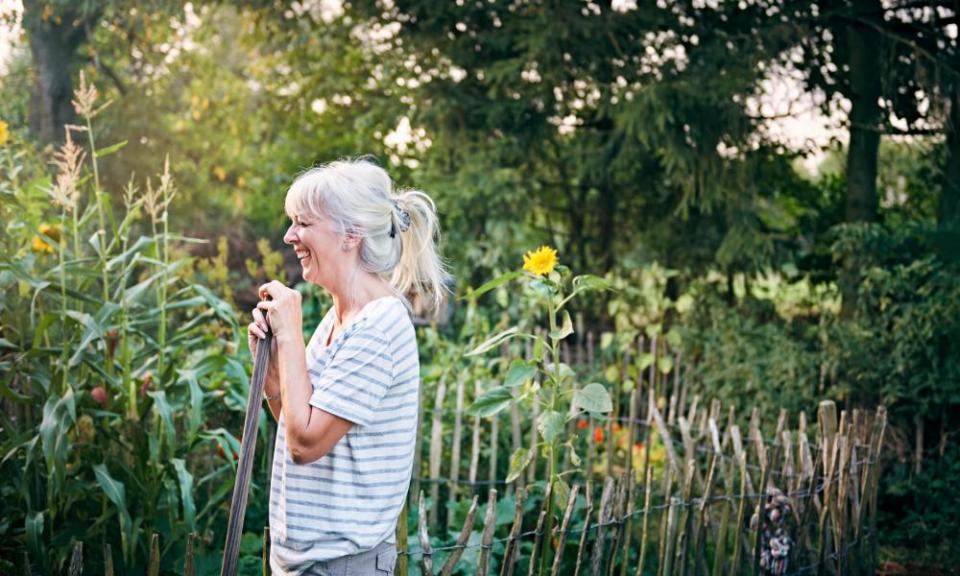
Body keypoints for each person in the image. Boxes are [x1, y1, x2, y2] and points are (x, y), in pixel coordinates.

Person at [247, 158, 448, 575]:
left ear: (351, 234)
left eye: (303, 223)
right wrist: (272, 378)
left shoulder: (379, 325)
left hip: (340, 564)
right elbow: (297, 419)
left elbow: (305, 445)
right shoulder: (338, 319)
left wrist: (290, 336)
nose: (289, 236)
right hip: (306, 561)